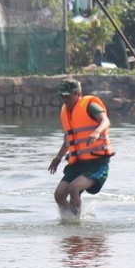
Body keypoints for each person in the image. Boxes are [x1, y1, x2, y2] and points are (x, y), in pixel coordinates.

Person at [48, 78, 114, 217]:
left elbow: (105, 120)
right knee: (59, 195)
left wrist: (97, 131)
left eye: (68, 96)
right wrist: (58, 157)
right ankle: (69, 220)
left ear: (78, 94)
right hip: (77, 164)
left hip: (96, 163)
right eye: (63, 97)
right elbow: (69, 139)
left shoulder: (90, 106)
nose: (65, 100)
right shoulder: (66, 112)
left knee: (73, 188)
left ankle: (77, 224)